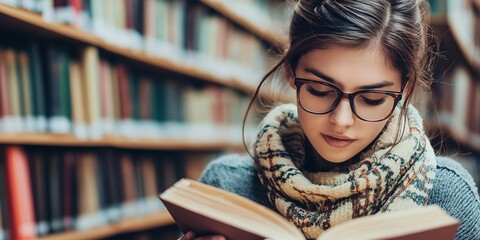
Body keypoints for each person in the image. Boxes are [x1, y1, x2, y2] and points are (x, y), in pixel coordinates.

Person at [180, 0, 480, 239]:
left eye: (372, 99)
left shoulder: (447, 197)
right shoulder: (224, 188)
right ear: (291, 74)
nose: (342, 119)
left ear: (405, 89)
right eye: (320, 91)